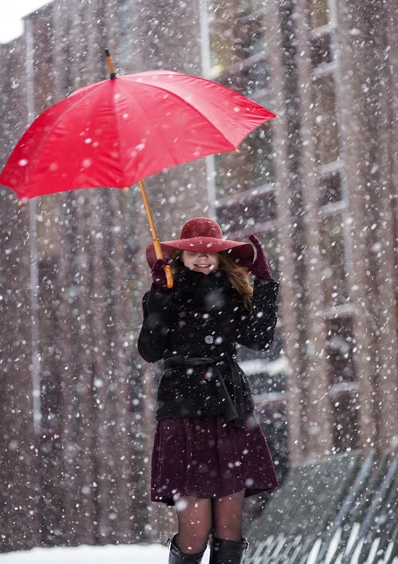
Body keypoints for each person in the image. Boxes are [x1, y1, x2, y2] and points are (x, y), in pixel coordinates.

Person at [138, 217, 279, 564]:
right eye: (194, 251)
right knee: (195, 530)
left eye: (210, 251)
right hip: (183, 410)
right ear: (181, 255)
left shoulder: (232, 292)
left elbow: (260, 338)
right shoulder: (166, 291)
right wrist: (159, 294)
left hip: (228, 409)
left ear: (221, 255)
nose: (203, 258)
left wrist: (263, 282)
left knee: (230, 528)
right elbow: (150, 350)